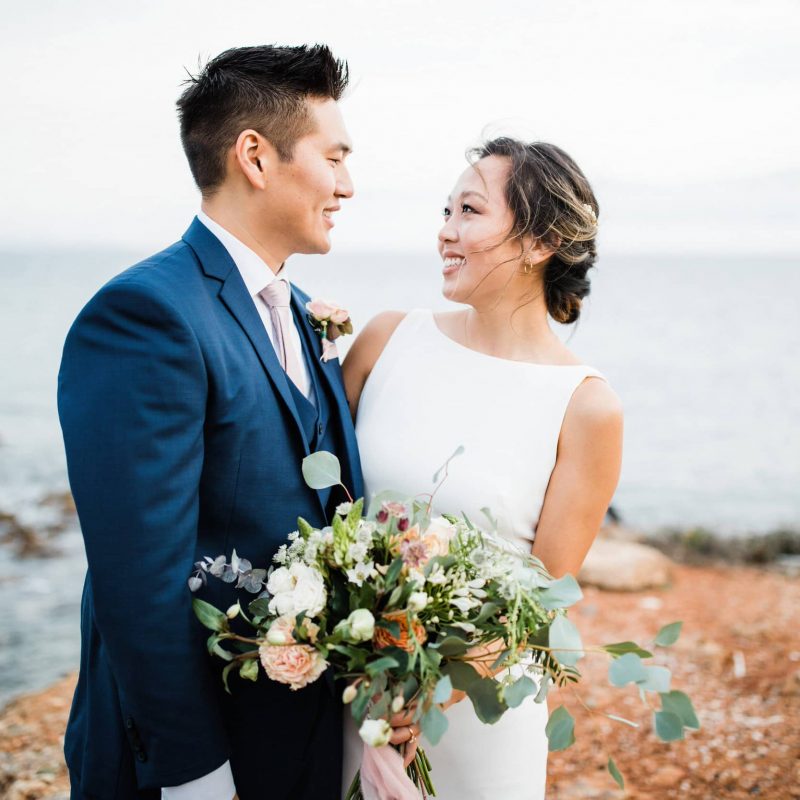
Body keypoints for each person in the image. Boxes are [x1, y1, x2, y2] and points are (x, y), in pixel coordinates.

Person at [57, 44, 361, 800]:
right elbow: (139, 578)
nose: (348, 185)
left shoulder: (298, 309)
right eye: (335, 157)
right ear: (255, 157)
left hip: (301, 733)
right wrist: (192, 771)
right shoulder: (146, 316)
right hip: (199, 755)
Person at [341, 137, 624, 798]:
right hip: (353, 690)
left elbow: (540, 604)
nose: (445, 232)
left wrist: (423, 697)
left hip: (473, 719)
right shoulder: (387, 339)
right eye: (445, 211)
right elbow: (311, 503)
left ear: (539, 242)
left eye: (468, 211)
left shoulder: (585, 406)